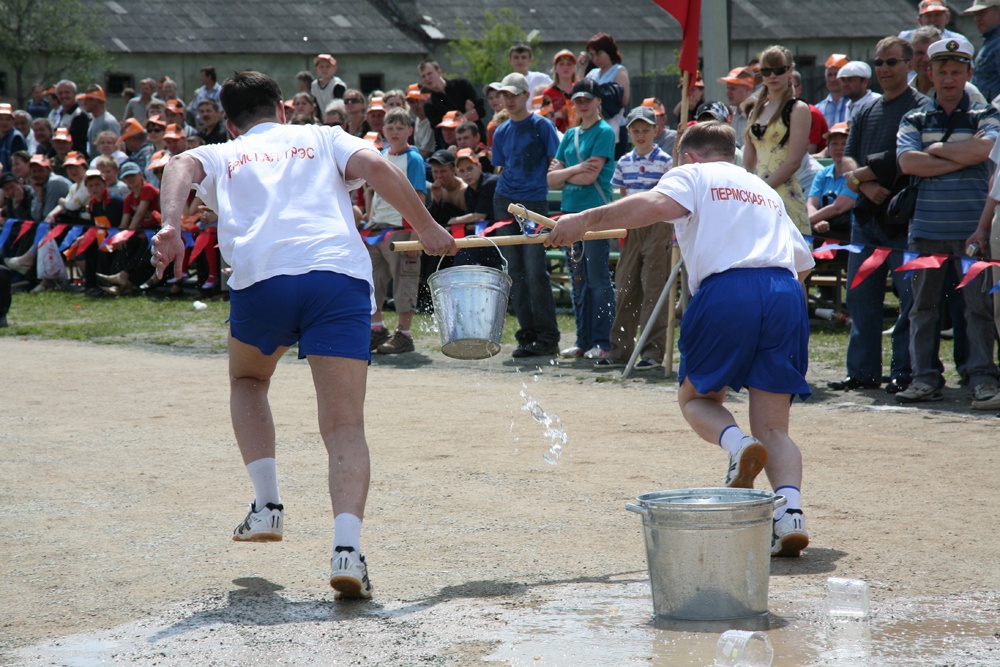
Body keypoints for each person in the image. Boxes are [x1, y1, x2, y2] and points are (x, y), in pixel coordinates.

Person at [150, 69, 456, 600]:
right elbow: (377, 166)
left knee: (248, 380)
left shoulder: (224, 151)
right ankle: (347, 551)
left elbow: (178, 164)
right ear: (283, 109)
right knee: (344, 426)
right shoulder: (324, 136)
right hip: (337, 278)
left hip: (262, 280)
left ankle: (266, 505)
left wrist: (171, 226)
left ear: (230, 122)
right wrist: (427, 227)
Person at [544, 121, 816, 557]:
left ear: (688, 155)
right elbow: (803, 264)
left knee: (697, 400)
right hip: (785, 292)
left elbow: (652, 205)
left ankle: (738, 445)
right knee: (774, 427)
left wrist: (583, 220)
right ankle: (791, 515)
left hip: (728, 289)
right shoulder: (763, 190)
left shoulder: (691, 174)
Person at [894, 36, 1000, 405]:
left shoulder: (986, 114)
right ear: (930, 73)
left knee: (978, 310)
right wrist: (963, 156)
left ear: (969, 73)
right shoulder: (914, 116)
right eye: (942, 71)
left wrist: (936, 149)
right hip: (926, 229)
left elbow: (989, 149)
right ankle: (924, 378)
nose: (949, 78)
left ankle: (983, 378)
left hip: (974, 230)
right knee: (922, 309)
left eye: (956, 71)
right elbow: (907, 162)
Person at [834, 36, 930, 395]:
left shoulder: (921, 107)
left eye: (891, 62)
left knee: (909, 299)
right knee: (861, 298)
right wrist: (864, 185)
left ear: (909, 65)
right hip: (866, 218)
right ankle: (861, 372)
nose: (884, 69)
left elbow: (904, 157)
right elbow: (848, 156)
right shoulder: (865, 109)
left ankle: (904, 372)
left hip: (903, 217)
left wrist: (861, 178)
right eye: (879, 62)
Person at [594, 105, 673, 371]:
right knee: (626, 287)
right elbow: (623, 195)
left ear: (655, 131)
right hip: (631, 226)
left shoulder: (665, 160)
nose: (640, 135)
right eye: (635, 131)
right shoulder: (624, 162)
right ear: (628, 132)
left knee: (653, 288)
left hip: (657, 225)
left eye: (645, 130)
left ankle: (652, 352)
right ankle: (619, 350)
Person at [491, 72, 562, 358]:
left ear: (526, 95)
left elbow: (555, 162)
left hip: (533, 203)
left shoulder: (542, 126)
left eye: (513, 94)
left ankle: (547, 337)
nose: (508, 99)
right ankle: (527, 335)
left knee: (535, 271)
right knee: (515, 272)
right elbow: (500, 167)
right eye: (504, 95)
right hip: (504, 200)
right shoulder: (501, 131)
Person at [547, 77, 617, 360]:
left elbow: (590, 178)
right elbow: (551, 179)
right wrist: (576, 169)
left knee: (598, 279)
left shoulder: (604, 131)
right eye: (578, 100)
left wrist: (566, 173)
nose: (583, 104)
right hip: (569, 213)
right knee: (578, 280)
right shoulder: (569, 134)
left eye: (588, 99)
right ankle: (582, 340)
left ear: (598, 101)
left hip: (595, 214)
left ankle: (602, 341)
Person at [361, 107, 426, 355]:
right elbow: (371, 191)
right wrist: (370, 217)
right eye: (390, 127)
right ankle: (377, 329)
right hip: (377, 229)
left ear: (410, 130)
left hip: (402, 227)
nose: (395, 132)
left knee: (404, 279)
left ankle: (404, 334)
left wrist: (417, 231)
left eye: (400, 128)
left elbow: (419, 196)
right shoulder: (381, 156)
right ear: (383, 130)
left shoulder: (414, 159)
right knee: (373, 279)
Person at [743, 45, 812, 234]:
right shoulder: (755, 111)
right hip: (757, 196)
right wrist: (749, 192)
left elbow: (794, 161)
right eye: (766, 71)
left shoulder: (798, 109)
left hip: (785, 195)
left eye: (779, 70)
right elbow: (747, 162)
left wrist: (762, 189)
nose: (772, 76)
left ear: (790, 70)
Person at [450, 147, 501, 269]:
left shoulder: (490, 182)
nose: (466, 174)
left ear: (479, 167)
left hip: (502, 236)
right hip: (487, 237)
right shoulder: (468, 191)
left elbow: (478, 217)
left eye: (470, 169)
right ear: (457, 173)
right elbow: (472, 224)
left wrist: (453, 221)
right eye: (462, 170)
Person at [418, 59, 486, 148]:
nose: (427, 78)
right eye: (423, 76)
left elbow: (481, 111)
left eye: (429, 73)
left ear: (439, 72)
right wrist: (467, 115)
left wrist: (455, 121)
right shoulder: (430, 105)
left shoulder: (462, 85)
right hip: (454, 149)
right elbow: (444, 132)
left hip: (478, 143)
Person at [579, 33, 630, 151]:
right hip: (594, 128)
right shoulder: (593, 73)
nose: (596, 59)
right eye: (592, 55)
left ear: (609, 51)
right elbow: (579, 91)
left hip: (615, 128)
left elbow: (624, 100)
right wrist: (582, 68)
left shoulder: (618, 70)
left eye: (599, 53)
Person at [806, 122, 856, 241]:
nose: (839, 148)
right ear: (827, 147)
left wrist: (806, 222)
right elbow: (811, 204)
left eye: (844, 143)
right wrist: (816, 222)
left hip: (848, 234)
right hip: (822, 231)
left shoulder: (855, 173)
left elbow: (838, 208)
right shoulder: (822, 173)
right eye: (834, 143)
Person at [965, 0, 1000, 103]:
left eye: (982, 13)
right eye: (975, 14)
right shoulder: (991, 40)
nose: (978, 19)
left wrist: (995, 110)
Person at [717, 67, 755, 148]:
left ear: (747, 89)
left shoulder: (759, 112)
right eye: (728, 88)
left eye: (732, 89)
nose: (728, 93)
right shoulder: (729, 113)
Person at [544, 49, 578, 133]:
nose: (565, 67)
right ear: (555, 69)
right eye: (561, 64)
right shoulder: (548, 93)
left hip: (579, 133)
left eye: (569, 64)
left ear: (574, 68)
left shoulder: (580, 90)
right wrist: (558, 114)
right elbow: (543, 118)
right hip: (557, 134)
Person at [901, 0, 966, 42]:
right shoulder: (906, 38)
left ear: (947, 18)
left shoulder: (959, 40)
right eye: (928, 16)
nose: (933, 19)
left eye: (937, 15)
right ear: (920, 21)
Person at [816, 54, 851, 128]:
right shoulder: (818, 110)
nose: (832, 79)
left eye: (836, 74)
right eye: (829, 75)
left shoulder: (856, 104)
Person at [0, 104, 28, 173]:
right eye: (1, 119)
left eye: (8, 119)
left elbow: (18, 167)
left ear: (13, 121)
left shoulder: (16, 138)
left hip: (11, 177)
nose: (4, 122)